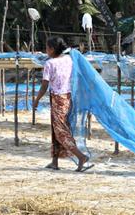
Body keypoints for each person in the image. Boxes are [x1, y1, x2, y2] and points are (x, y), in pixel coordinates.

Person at [33, 37, 93, 172]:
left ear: (53, 49)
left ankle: (81, 156)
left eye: (47, 48)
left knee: (60, 132)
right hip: (67, 97)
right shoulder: (68, 60)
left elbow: (44, 86)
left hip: (57, 99)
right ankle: (54, 162)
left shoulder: (50, 63)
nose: (46, 51)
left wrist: (36, 100)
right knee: (56, 130)